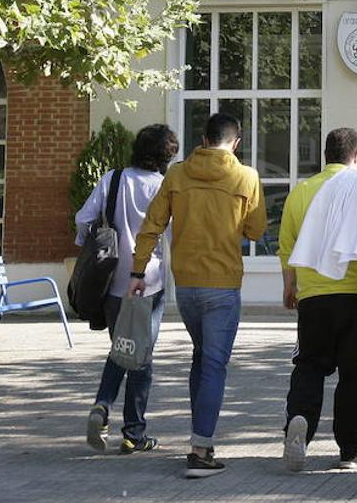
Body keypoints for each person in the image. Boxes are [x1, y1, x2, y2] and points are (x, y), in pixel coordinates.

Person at [130, 112, 266, 478]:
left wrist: (137, 271)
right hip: (222, 284)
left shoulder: (176, 174)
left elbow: (151, 226)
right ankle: (200, 449)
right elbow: (255, 231)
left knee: (202, 359)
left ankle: (198, 438)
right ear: (235, 143)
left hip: (186, 286)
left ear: (203, 140)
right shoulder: (246, 176)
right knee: (214, 365)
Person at [279, 127, 357, 472]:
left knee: (309, 366)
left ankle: (299, 421)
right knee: (354, 374)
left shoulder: (301, 191)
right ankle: (352, 449)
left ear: (325, 155)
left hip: (313, 295)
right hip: (355, 294)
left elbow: (287, 246)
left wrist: (290, 286)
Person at [78, 124, 179, 455]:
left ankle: (103, 405)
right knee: (141, 357)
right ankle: (134, 431)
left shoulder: (114, 178)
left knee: (122, 349)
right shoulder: (163, 186)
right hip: (149, 281)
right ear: (166, 155)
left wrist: (87, 245)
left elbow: (84, 218)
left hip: (112, 280)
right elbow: (175, 230)